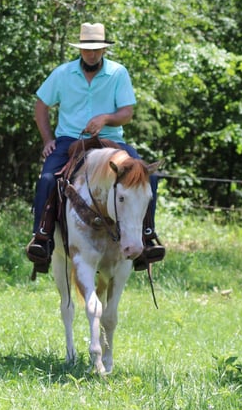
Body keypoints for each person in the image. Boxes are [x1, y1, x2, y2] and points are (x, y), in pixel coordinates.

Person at [25, 22, 164, 275]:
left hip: (111, 139)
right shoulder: (62, 73)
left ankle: (147, 235)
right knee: (47, 179)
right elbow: (41, 106)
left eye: (96, 49)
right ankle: (42, 238)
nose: (92, 54)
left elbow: (127, 113)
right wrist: (47, 140)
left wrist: (106, 118)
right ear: (80, 49)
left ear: (104, 49)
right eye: (87, 49)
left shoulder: (118, 73)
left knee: (148, 175)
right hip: (69, 140)